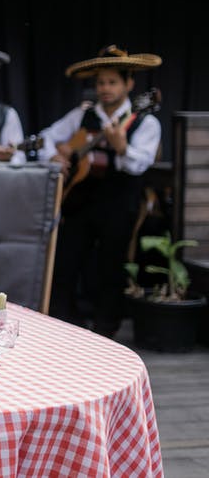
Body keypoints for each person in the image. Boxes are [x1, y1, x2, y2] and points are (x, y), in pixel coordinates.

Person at [39, 45, 162, 338]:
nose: (105, 88)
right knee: (65, 264)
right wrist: (56, 156)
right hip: (79, 203)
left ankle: (106, 332)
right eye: (101, 82)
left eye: (112, 82)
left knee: (111, 267)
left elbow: (139, 164)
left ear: (128, 84)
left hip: (119, 203)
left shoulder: (144, 120)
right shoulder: (82, 116)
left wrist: (122, 148)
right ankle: (67, 327)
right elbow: (46, 138)